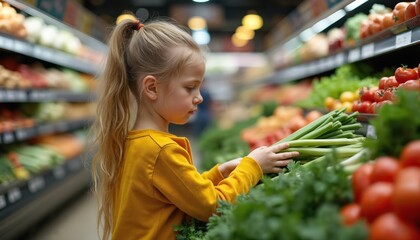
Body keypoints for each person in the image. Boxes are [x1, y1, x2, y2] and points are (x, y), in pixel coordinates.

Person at [89, 17, 299, 240]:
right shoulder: (160, 151)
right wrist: (253, 167)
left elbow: (179, 192)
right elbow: (212, 207)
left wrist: (217, 174)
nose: (198, 98)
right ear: (152, 88)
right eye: (190, 88)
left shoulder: (138, 142)